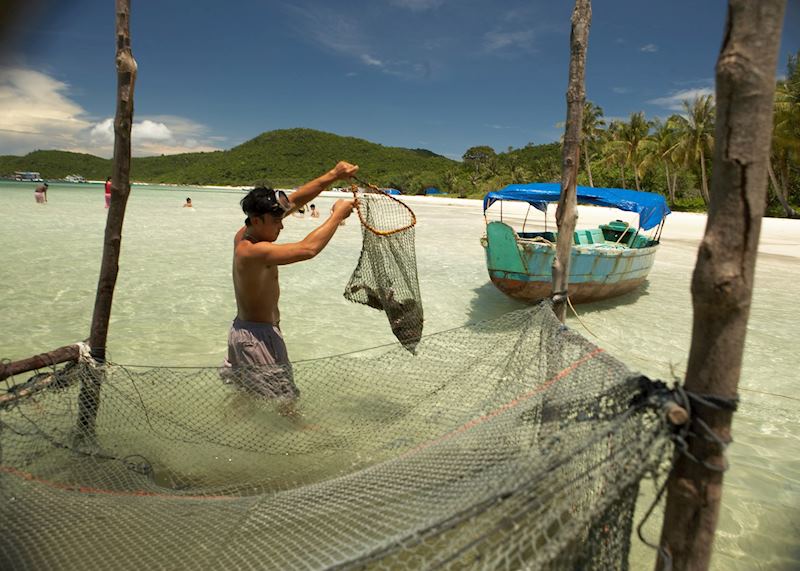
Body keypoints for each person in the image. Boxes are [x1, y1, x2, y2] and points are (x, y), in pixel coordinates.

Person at [222, 161, 359, 406]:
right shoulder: (252, 251)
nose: (282, 225)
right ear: (257, 220)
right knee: (284, 401)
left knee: (247, 397)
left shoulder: (247, 233)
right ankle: (298, 428)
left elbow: (295, 200)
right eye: (276, 222)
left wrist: (334, 174)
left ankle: (232, 424)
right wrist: (337, 215)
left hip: (245, 332)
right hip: (258, 337)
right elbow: (308, 249)